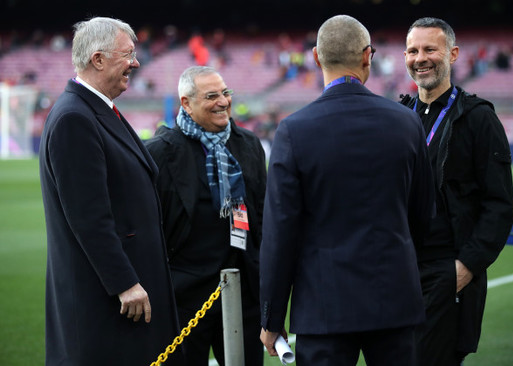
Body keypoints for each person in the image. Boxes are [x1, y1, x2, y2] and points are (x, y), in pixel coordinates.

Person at [259, 15, 434, 366]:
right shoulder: (406, 121)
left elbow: (280, 234)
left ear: (316, 57)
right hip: (395, 302)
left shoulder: (294, 130)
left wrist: (271, 318)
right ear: (368, 56)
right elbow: (423, 214)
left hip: (325, 307)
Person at [38, 17, 183, 366]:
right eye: (128, 54)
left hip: (124, 298)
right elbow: (89, 217)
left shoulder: (96, 110)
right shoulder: (75, 118)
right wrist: (124, 283)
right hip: (107, 304)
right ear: (98, 59)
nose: (135, 63)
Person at [400, 17, 513, 366]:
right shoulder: (398, 115)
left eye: (429, 49)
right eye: (412, 50)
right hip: (399, 271)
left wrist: (464, 269)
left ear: (452, 54)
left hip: (447, 271)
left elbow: (499, 206)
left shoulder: (479, 118)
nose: (420, 58)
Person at [145, 66, 266, 366]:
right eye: (211, 96)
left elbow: (262, 218)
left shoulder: (248, 145)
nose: (223, 102)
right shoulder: (159, 152)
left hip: (243, 294)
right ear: (185, 103)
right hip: (183, 297)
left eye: (225, 93)